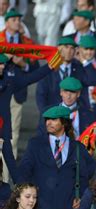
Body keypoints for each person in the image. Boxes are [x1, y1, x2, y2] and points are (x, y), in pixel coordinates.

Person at [0, 53, 53, 183]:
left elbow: (30, 78)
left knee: (9, 158)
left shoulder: (9, 80)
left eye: (3, 64)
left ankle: (17, 185)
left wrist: (50, 66)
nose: (2, 67)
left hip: (3, 127)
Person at [36, 36, 96, 129]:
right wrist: (46, 114)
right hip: (54, 116)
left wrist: (84, 61)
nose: (69, 51)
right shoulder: (49, 69)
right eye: (66, 47)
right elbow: (40, 95)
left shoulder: (79, 68)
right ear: (59, 49)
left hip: (76, 115)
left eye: (72, 48)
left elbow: (95, 80)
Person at [1, 8, 38, 159]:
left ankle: (6, 174)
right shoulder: (0, 39)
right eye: (14, 20)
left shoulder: (26, 42)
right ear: (7, 22)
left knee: (13, 133)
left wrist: (24, 64)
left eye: (19, 20)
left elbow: (35, 67)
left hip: (16, 93)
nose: (17, 22)